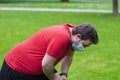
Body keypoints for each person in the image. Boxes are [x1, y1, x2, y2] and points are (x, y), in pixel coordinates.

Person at [0, 23, 98, 80]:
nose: (83, 48)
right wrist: (54, 77)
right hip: (17, 68)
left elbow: (69, 55)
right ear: (78, 36)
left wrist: (63, 74)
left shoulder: (73, 35)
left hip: (39, 69)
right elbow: (46, 65)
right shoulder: (61, 38)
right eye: (84, 45)